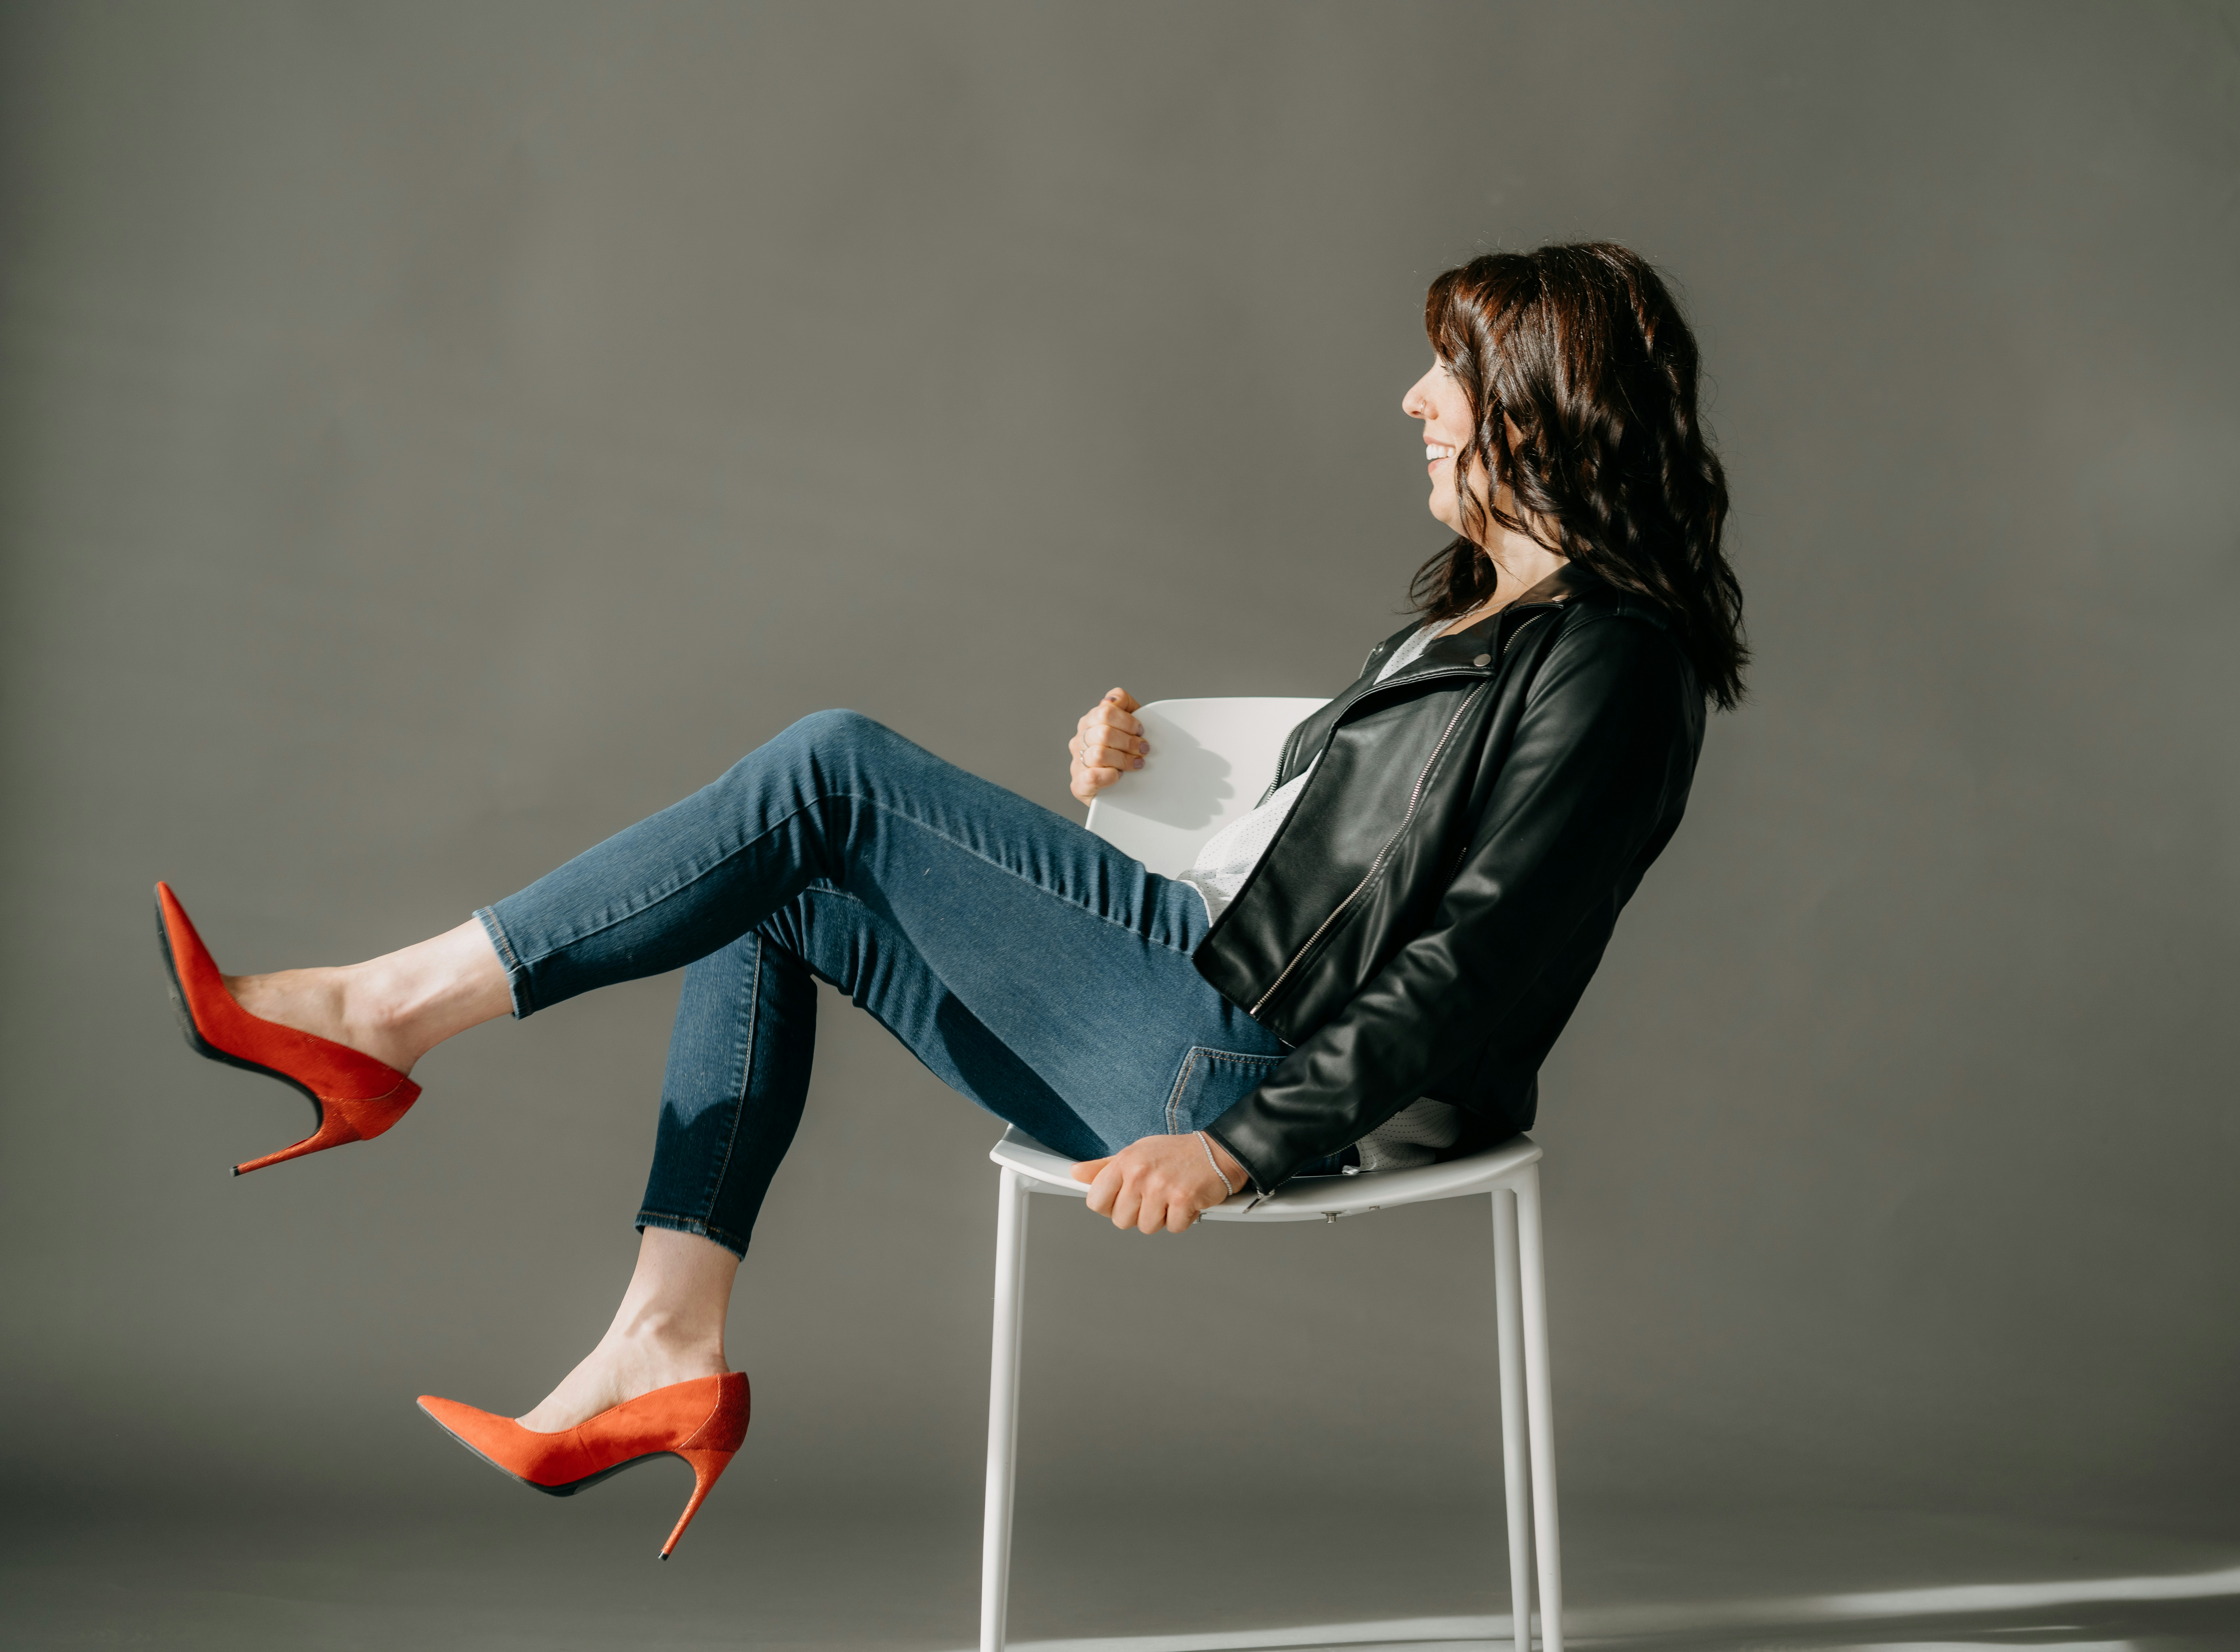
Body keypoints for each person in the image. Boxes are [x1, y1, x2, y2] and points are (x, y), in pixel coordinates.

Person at [156, 241, 1745, 1558]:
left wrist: (1240, 1143)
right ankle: (664, 1341)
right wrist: (1141, 780)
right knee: (766, 883)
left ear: (1545, 403)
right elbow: (1310, 863)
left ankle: (383, 1016)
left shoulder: (1614, 662)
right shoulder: (1469, 621)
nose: (1414, 398)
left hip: (1253, 1069)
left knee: (827, 765)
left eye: (1450, 370)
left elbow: (1478, 957)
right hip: (1202, 985)